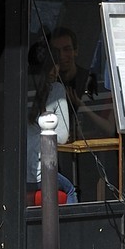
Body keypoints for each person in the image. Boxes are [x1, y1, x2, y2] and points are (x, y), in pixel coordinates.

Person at [26, 39, 77, 202]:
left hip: (17, 173)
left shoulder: (19, 86)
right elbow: (61, 137)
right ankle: (70, 228)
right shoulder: (56, 89)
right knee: (70, 190)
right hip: (42, 176)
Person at [51, 26, 94, 110]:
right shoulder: (49, 80)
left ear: (76, 51)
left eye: (67, 49)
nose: (61, 56)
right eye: (56, 51)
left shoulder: (88, 80)